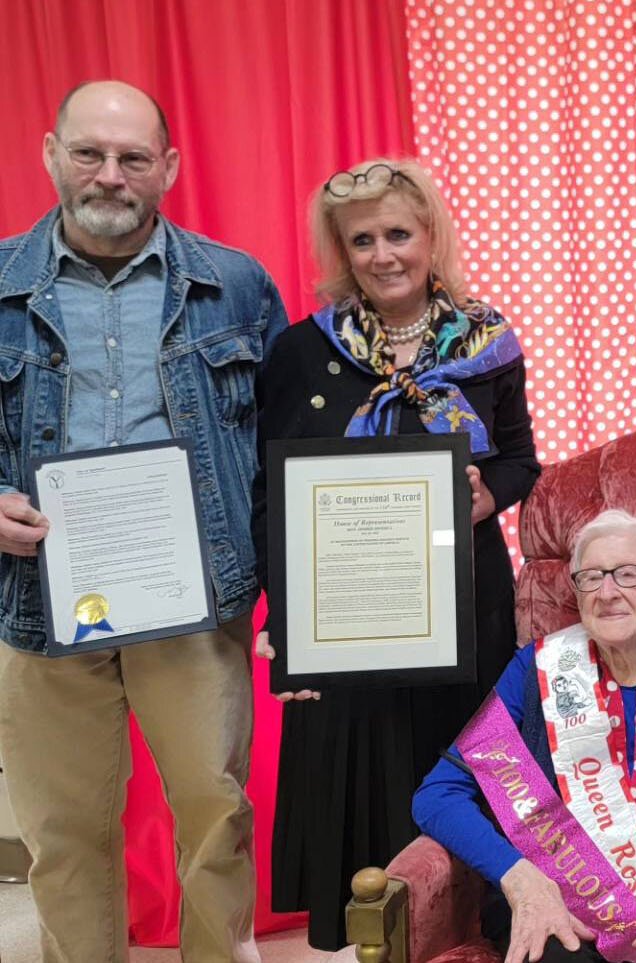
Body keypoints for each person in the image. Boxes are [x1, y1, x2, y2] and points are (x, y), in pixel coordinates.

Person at [0, 80, 288, 963]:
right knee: (65, 828)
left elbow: (287, 445)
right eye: (89, 152)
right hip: (38, 601)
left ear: (166, 167)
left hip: (198, 602)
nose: (109, 176)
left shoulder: (235, 284)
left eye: (132, 158)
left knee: (214, 812)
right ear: (52, 155)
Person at [251, 158, 540, 949]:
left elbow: (521, 459)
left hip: (463, 608)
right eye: (363, 240)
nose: (384, 254)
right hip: (346, 619)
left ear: (430, 236)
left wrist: (492, 494)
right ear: (342, 253)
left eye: (398, 234)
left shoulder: (490, 340)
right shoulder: (302, 352)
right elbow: (272, 494)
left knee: (457, 782)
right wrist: (286, 627)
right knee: (363, 810)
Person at [413, 509, 636, 963]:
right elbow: (437, 796)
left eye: (628, 574)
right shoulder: (536, 670)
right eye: (590, 577)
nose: (607, 593)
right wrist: (520, 878)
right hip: (556, 889)